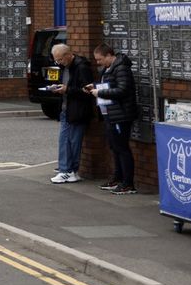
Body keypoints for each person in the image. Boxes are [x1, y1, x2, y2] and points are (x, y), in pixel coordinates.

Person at [89, 44, 138, 194]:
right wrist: (95, 86)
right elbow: (110, 84)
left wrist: (100, 92)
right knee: (114, 147)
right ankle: (118, 178)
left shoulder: (121, 68)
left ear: (109, 55)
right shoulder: (109, 68)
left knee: (122, 148)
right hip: (111, 113)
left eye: (100, 59)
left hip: (121, 114)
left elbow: (122, 90)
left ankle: (128, 184)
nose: (99, 63)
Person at [48, 44, 94, 184]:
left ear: (68, 55)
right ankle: (68, 170)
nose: (59, 62)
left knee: (69, 141)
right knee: (66, 141)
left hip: (77, 111)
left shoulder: (81, 67)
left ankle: (67, 171)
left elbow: (87, 91)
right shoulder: (66, 67)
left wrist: (67, 89)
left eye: (60, 59)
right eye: (57, 60)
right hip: (67, 109)